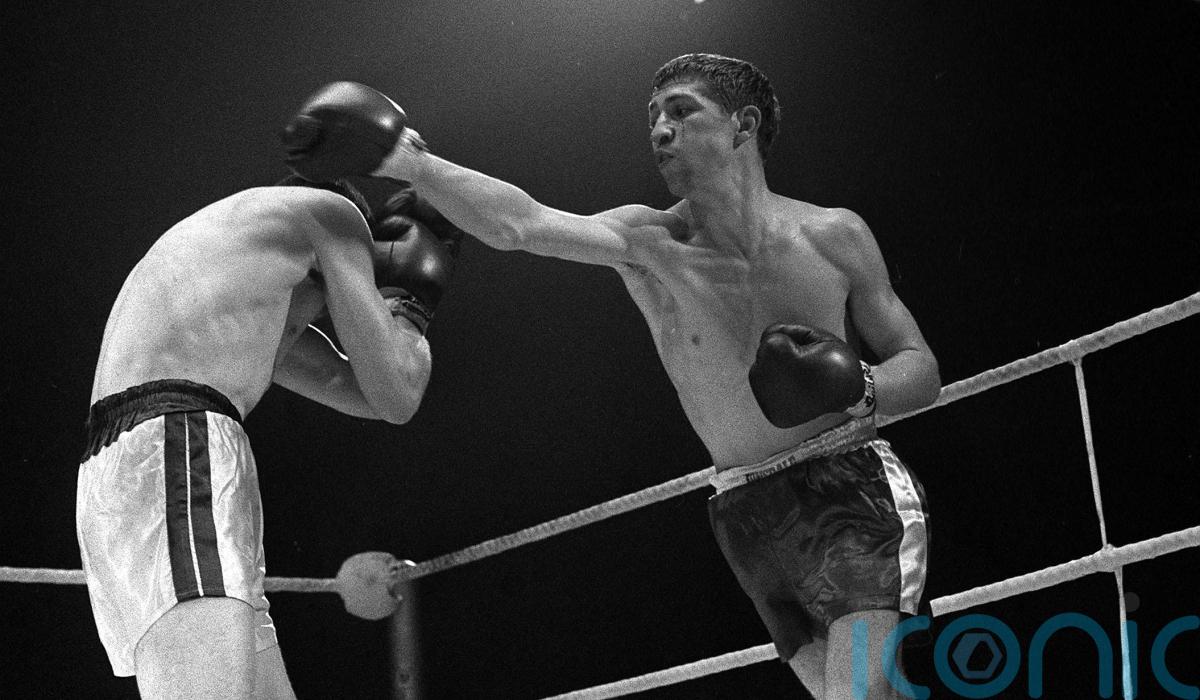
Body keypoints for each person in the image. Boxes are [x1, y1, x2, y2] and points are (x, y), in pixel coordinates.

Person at [305, 55, 939, 697]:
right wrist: (410, 163)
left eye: (682, 111)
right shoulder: (649, 242)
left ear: (743, 125)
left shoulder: (835, 235)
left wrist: (859, 387)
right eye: (653, 117)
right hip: (745, 510)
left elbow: (921, 370)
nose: (661, 129)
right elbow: (522, 225)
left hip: (848, 486)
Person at [76, 147, 462, 697]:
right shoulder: (333, 217)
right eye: (336, 295)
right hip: (179, 451)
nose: (329, 314)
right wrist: (407, 305)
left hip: (135, 469)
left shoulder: (230, 283)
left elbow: (358, 390)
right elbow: (398, 393)